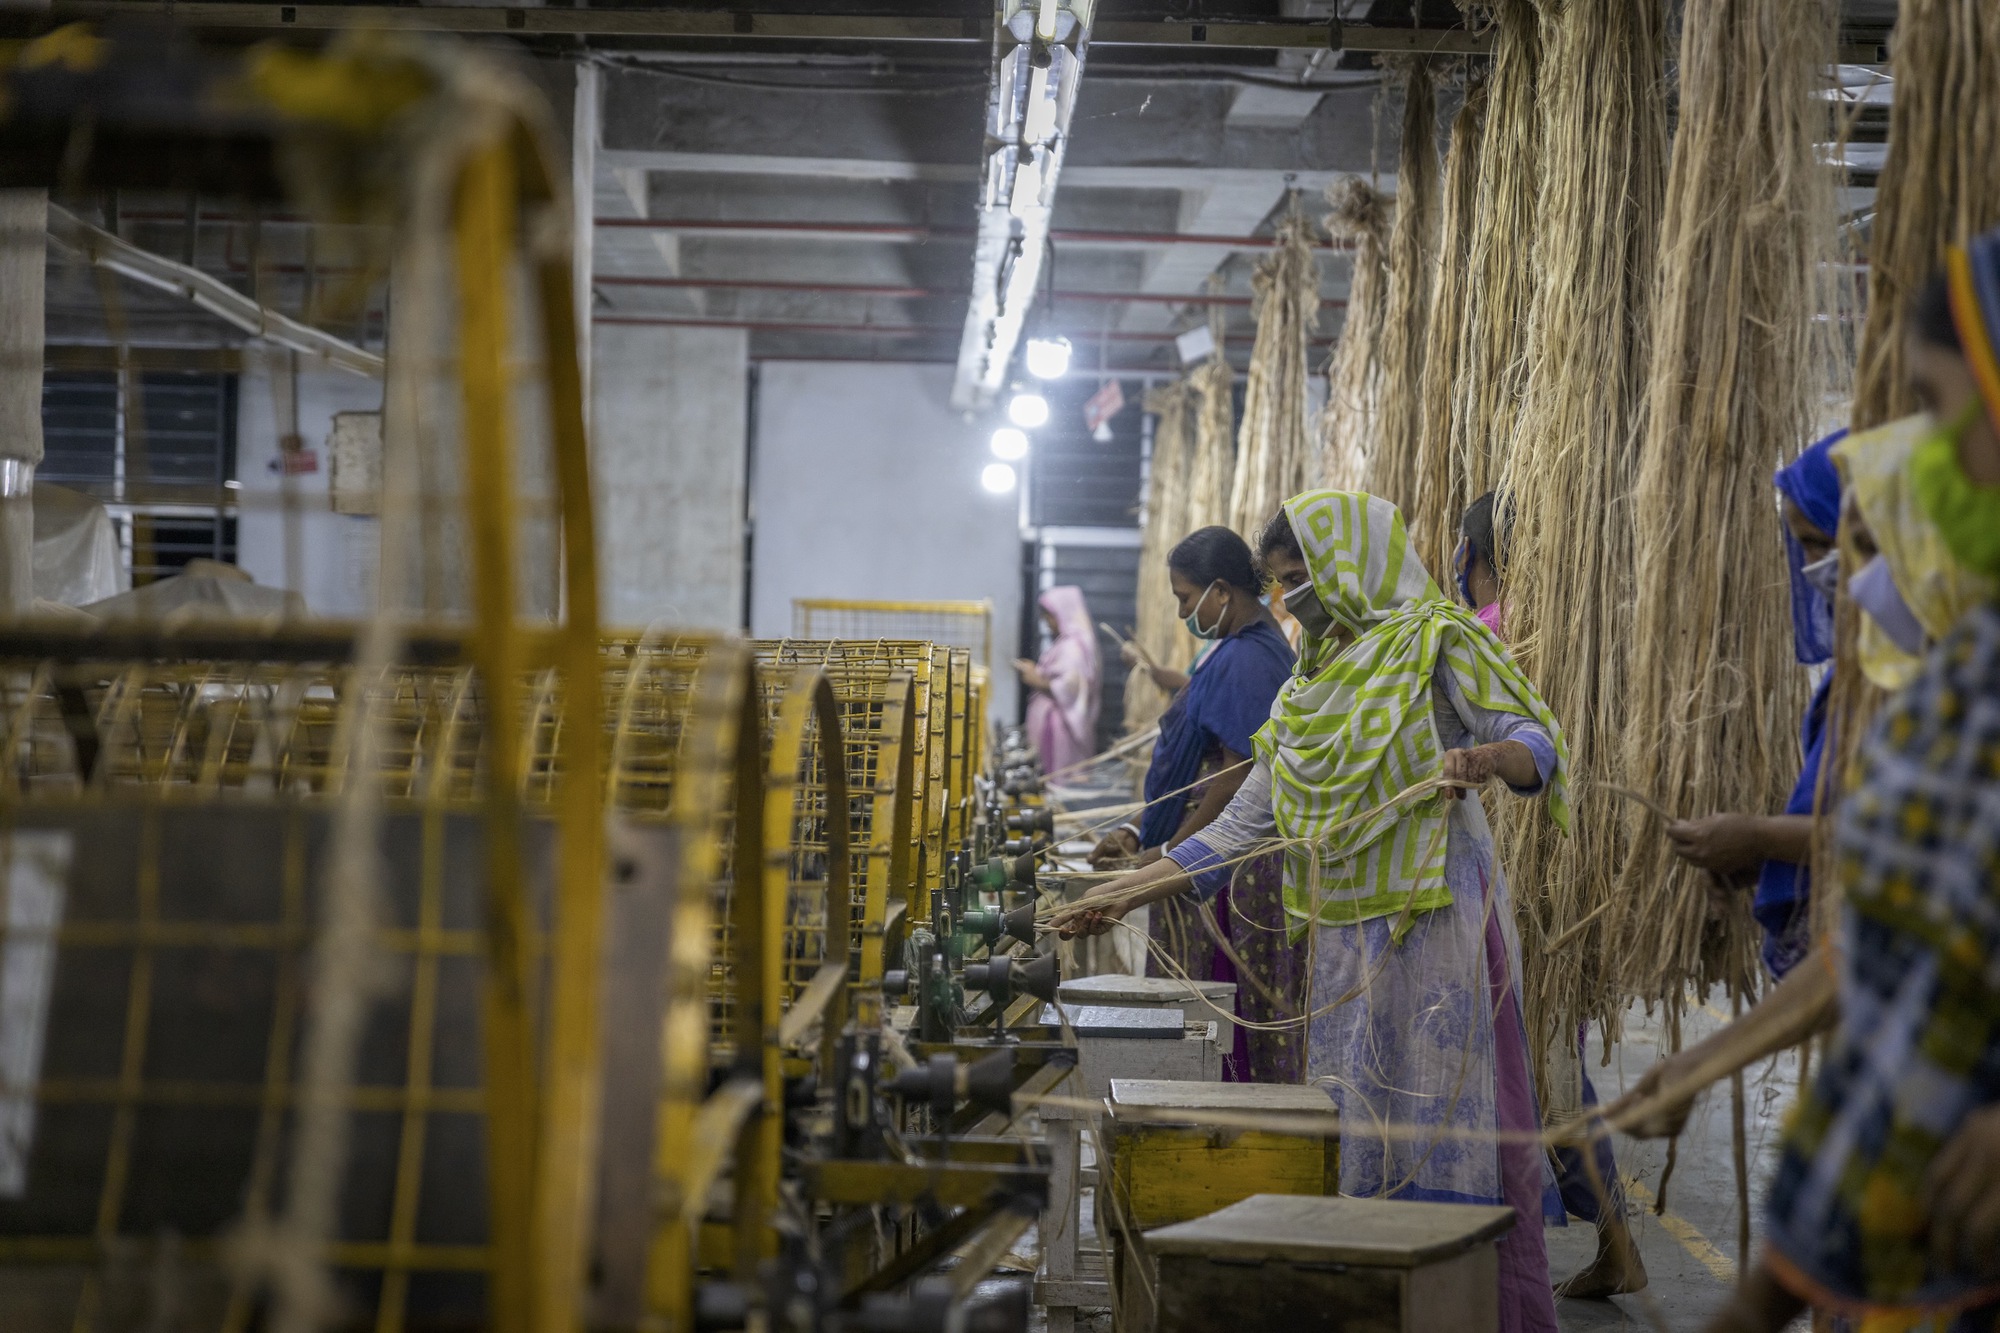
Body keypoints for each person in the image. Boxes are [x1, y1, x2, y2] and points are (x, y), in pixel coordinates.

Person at [1059, 490, 1571, 1333]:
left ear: (1351, 563)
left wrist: (1486, 754)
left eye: (1300, 578)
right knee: (1363, 1117)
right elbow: (1236, 829)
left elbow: (1538, 744)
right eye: (1281, 582)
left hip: (1438, 922)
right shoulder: (1310, 687)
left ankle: (1474, 1309)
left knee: (1456, 1120)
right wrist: (1116, 896)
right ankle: (1390, 1301)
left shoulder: (1437, 640)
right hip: (1349, 935)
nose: (1293, 598)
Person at [1610, 250, 2000, 1332]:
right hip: (1898, 1258)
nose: (1916, 460)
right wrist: (1699, 1061)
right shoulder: (1956, 682)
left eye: (1932, 406)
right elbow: (1886, 959)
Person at [1449, 492, 1646, 1300]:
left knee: (1546, 1062)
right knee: (1544, 1055)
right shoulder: (1575, 628)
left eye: (1463, 549)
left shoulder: (1492, 633)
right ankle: (1602, 1234)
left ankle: (1610, 1236)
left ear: (1476, 552)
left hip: (1525, 878)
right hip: (1561, 863)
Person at [1087, 526, 1299, 1081]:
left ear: (1221, 590)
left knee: (1216, 998)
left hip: (1225, 873)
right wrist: (1141, 834)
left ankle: (1219, 1119)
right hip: (1204, 854)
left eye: (1186, 596)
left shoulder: (1249, 657)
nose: (1184, 610)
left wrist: (1172, 858)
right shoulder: (1235, 648)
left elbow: (1236, 778)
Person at [1663, 428, 1847, 979]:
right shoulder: (1859, 670)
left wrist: (1763, 837)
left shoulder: (1931, 678)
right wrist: (1766, 857)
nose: (1812, 565)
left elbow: (1900, 841)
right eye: (1803, 546)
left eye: (1819, 540)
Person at [1014, 585, 1099, 775]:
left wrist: (1037, 680)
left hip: (1060, 732)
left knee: (1056, 782)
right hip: (1054, 729)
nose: (1047, 622)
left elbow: (1071, 686)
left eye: (1049, 615)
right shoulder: (1066, 642)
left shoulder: (1073, 647)